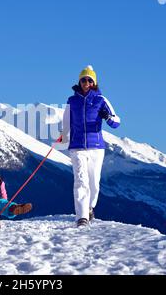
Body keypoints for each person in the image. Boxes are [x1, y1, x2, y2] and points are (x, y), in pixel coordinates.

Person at [61, 65, 120, 227]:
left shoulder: (101, 100)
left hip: (96, 147)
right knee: (80, 180)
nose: (86, 82)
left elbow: (116, 122)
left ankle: (90, 207)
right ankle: (82, 216)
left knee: (94, 183)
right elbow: (66, 122)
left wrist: (107, 117)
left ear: (93, 82)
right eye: (83, 79)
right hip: (77, 146)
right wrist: (62, 136)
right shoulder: (72, 101)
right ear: (79, 81)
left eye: (89, 80)